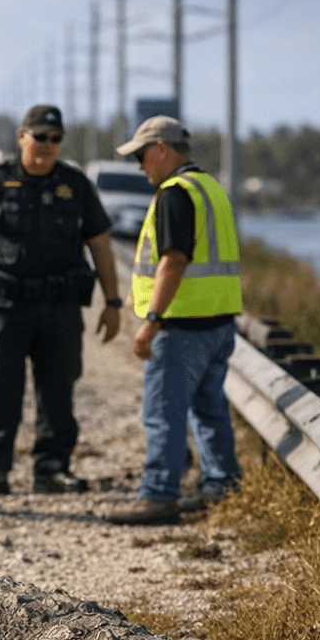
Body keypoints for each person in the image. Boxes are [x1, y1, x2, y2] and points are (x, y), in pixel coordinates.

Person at [0, 105, 122, 495]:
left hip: (60, 306)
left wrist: (113, 304)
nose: (47, 146)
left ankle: (51, 469)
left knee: (58, 391)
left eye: (55, 139)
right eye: (39, 137)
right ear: (21, 137)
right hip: (4, 303)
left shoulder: (75, 184)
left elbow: (99, 245)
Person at [104, 116, 243, 525]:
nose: (140, 166)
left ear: (161, 149)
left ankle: (159, 495)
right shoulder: (212, 188)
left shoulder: (174, 193)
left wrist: (151, 320)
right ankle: (221, 485)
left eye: (142, 156)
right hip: (219, 323)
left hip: (181, 326)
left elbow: (174, 260)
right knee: (209, 408)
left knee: (163, 412)